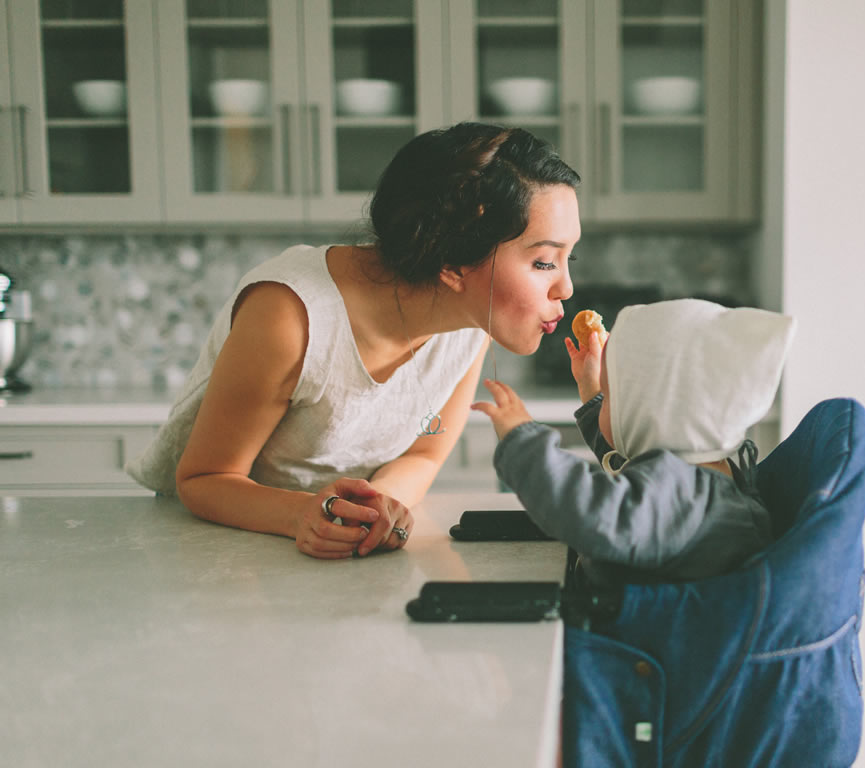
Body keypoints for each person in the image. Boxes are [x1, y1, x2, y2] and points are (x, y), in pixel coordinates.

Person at [127, 122, 581, 559]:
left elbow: (425, 452)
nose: (567, 288)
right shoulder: (289, 317)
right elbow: (204, 478)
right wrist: (303, 514)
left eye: (568, 258)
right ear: (454, 263)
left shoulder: (470, 325)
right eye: (544, 262)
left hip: (337, 555)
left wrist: (372, 510)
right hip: (215, 551)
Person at [471, 298, 796, 586]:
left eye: (613, 395)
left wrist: (522, 440)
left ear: (656, 410)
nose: (607, 401)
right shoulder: (706, 475)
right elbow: (628, 460)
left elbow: (586, 510)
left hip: (629, 645)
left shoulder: (679, 497)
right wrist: (594, 395)